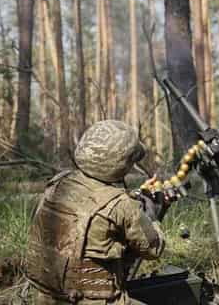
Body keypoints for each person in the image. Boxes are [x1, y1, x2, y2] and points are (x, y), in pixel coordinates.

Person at [25, 120, 166, 305]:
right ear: (121, 164)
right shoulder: (122, 205)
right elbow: (153, 249)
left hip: (44, 297)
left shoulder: (58, 183)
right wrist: (152, 217)